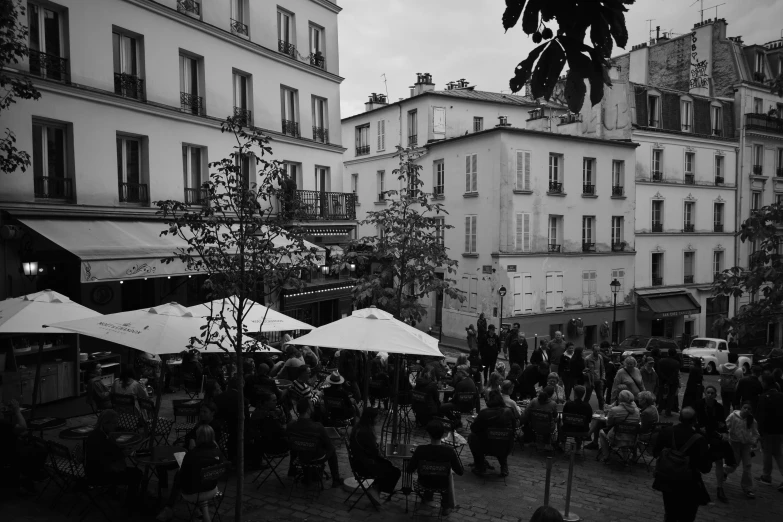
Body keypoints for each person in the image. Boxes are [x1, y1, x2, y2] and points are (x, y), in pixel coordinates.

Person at [652, 408, 712, 522]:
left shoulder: (667, 431)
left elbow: (655, 452)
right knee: (687, 516)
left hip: (667, 479)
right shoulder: (700, 439)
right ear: (695, 421)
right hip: (688, 482)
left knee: (670, 513)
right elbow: (705, 468)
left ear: (680, 418)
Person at [85, 410, 143, 511]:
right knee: (136, 473)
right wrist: (126, 452)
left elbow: (109, 453)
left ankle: (113, 492)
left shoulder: (96, 434)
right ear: (105, 423)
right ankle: (130, 504)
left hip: (91, 471)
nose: (116, 425)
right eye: (114, 423)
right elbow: (114, 456)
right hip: (99, 475)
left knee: (131, 471)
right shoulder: (101, 438)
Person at [407, 420, 464, 517]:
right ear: (443, 434)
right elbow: (460, 472)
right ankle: (446, 505)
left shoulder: (421, 449)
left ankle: (428, 495)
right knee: (447, 476)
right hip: (443, 485)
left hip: (423, 483)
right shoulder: (449, 451)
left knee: (430, 473)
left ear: (429, 434)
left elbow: (409, 469)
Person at [349, 408, 401, 505]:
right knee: (395, 471)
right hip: (364, 465)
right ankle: (376, 488)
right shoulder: (365, 432)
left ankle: (376, 488)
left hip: (359, 461)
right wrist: (381, 452)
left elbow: (370, 449)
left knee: (390, 466)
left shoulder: (359, 428)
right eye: (376, 418)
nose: (378, 420)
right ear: (370, 419)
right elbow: (374, 452)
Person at [287, 398, 343, 488]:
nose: (313, 406)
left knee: (296, 445)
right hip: (315, 457)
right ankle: (336, 479)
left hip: (300, 457)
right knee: (332, 448)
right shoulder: (318, 427)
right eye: (311, 405)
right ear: (308, 409)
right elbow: (328, 445)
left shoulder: (291, 425)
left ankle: (292, 472)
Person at [694, 385, 734, 503]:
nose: (710, 395)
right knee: (697, 460)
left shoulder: (719, 407)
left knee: (719, 461)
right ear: (705, 393)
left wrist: (724, 433)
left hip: (714, 436)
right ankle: (696, 484)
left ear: (715, 395)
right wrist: (699, 428)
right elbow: (694, 419)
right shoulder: (698, 404)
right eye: (708, 392)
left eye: (712, 393)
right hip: (700, 436)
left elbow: (722, 423)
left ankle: (720, 487)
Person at [179, 425, 224, 522]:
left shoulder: (192, 454)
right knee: (201, 482)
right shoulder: (218, 453)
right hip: (212, 489)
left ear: (198, 437)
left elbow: (182, 476)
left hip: (192, 493)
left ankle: (198, 513)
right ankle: (202, 515)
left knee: (184, 479)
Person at [468, 390, 516, 477]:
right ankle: (504, 466)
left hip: (487, 446)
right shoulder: (509, 411)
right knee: (502, 439)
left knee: (472, 437)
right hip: (506, 447)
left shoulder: (484, 413)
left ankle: (480, 465)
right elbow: (513, 428)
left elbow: (473, 429)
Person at [724, 401, 760, 498]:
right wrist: (726, 435)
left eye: (749, 409)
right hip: (734, 443)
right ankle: (724, 472)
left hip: (746, 446)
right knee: (733, 464)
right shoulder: (733, 416)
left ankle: (748, 488)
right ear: (741, 407)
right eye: (745, 407)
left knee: (747, 466)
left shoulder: (752, 420)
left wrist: (752, 441)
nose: (746, 410)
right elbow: (725, 426)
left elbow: (756, 433)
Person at [755, 373, 783, 490]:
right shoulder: (781, 395)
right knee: (778, 453)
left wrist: (759, 431)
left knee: (767, 452)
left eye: (761, 381)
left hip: (767, 430)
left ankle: (766, 476)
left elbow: (761, 416)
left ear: (765, 383)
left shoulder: (763, 397)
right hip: (779, 429)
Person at [598, 390, 641, 462]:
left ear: (620, 398)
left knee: (601, 432)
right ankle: (625, 458)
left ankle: (606, 455)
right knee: (625, 433)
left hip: (616, 438)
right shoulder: (637, 411)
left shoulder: (615, 410)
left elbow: (608, 424)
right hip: (632, 439)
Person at [213, 376, 248, 462]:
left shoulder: (219, 397)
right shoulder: (242, 399)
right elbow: (246, 419)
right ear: (241, 385)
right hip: (237, 430)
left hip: (222, 429)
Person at [559, 385, 592, 454]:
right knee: (579, 425)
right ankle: (578, 446)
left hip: (568, 429)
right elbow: (589, 420)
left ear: (574, 393)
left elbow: (564, 418)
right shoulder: (587, 406)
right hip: (582, 431)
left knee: (560, 424)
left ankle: (562, 443)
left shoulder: (568, 404)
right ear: (583, 394)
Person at [657, 348, 681, 417]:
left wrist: (665, 379)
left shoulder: (661, 361)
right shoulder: (676, 363)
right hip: (673, 382)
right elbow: (675, 374)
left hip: (662, 381)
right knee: (671, 396)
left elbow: (659, 372)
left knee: (661, 395)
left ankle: (660, 409)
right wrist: (669, 381)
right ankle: (668, 411)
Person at [584, 344, 605, 410]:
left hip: (599, 380)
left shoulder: (600, 357)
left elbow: (602, 368)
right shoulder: (587, 358)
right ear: (592, 350)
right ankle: (584, 410)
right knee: (587, 397)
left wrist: (603, 378)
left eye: (598, 351)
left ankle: (601, 410)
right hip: (590, 381)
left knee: (600, 397)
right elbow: (584, 370)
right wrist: (587, 374)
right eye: (596, 351)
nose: (597, 352)